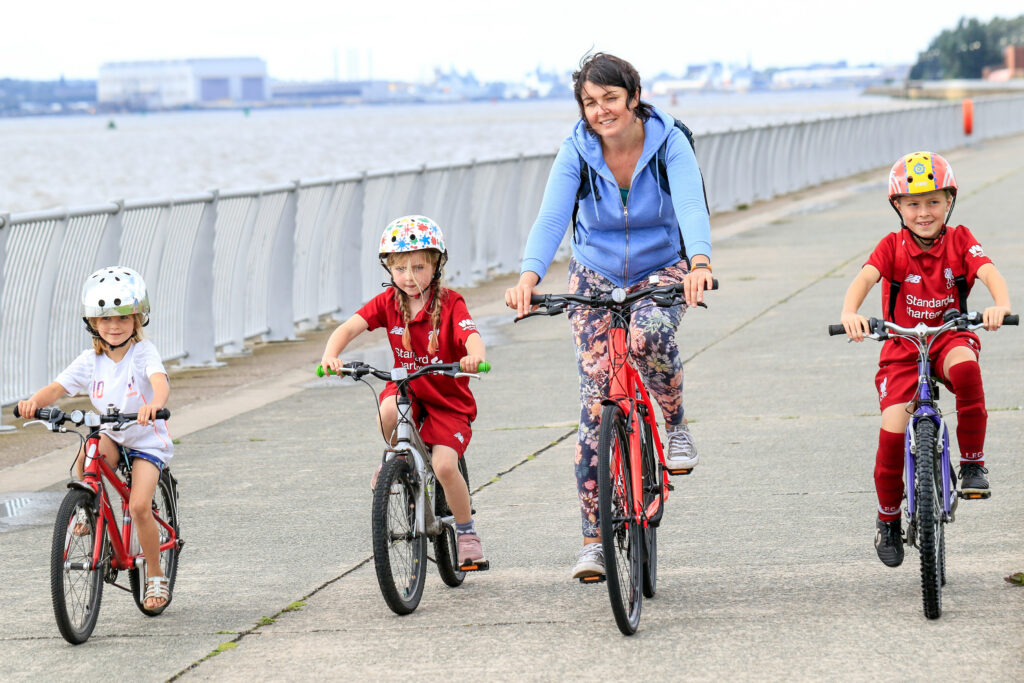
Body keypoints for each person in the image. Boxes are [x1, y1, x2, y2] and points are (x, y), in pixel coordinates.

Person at [504, 53, 713, 579]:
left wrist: (700, 263)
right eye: (590, 103)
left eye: (611, 99)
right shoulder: (575, 150)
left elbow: (690, 206)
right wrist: (529, 278)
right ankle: (594, 541)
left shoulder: (670, 143)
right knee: (595, 410)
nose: (601, 111)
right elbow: (552, 216)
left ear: (633, 96)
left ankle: (675, 422)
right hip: (593, 274)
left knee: (647, 338)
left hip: (660, 267)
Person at [839, 151, 1011, 568]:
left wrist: (999, 305)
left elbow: (988, 271)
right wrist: (850, 312)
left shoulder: (960, 239)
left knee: (967, 370)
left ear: (949, 201)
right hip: (901, 346)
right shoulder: (891, 246)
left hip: (948, 335)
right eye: (913, 204)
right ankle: (888, 518)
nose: (923, 212)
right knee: (892, 432)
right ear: (897, 207)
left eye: (934, 201)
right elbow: (864, 278)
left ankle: (972, 464)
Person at [321, 215, 488, 567]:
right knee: (387, 410)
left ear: (436, 265)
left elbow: (471, 336)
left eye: (418, 267)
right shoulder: (388, 302)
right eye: (400, 269)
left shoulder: (452, 303)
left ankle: (466, 531)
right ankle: (399, 458)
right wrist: (331, 355)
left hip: (447, 402)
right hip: (408, 392)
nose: (409, 277)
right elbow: (349, 327)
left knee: (444, 466)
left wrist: (474, 357)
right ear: (389, 270)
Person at [18, 266, 174, 610]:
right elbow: (58, 388)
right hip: (112, 433)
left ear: (137, 319)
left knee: (138, 506)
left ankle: (155, 575)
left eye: (122, 319)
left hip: (146, 439)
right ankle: (89, 511)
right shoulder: (91, 360)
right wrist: (34, 403)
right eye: (104, 320)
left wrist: (154, 405)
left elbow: (159, 382)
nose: (113, 326)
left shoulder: (143, 354)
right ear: (92, 323)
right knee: (85, 460)